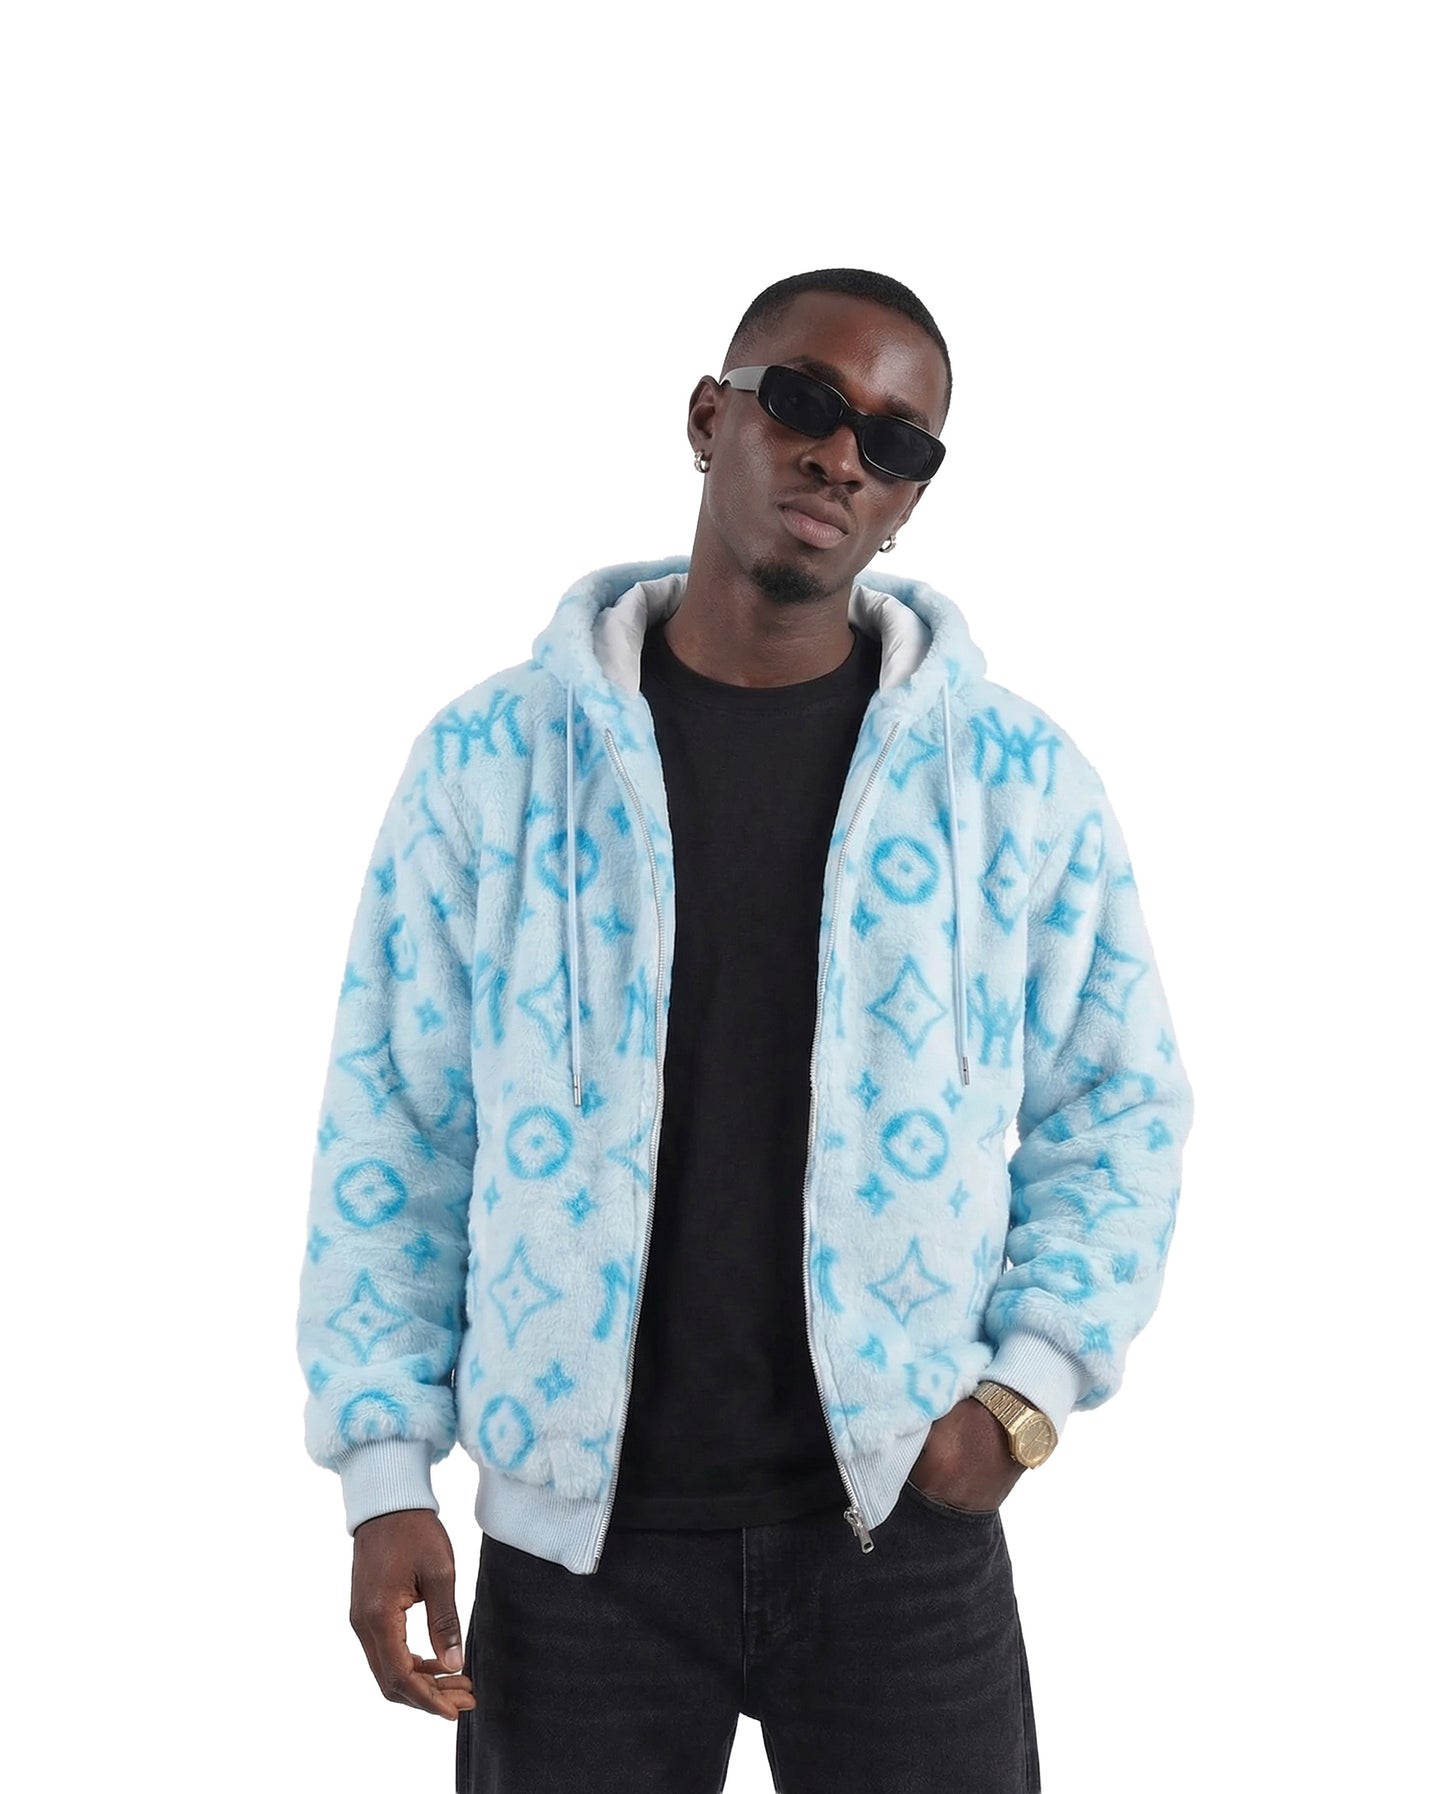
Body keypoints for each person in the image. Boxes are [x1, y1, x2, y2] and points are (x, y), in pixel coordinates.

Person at [295, 267, 1194, 1793]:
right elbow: (395, 1120)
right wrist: (384, 1472)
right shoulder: (491, 764)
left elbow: (1118, 1104)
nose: (841, 455)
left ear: (908, 500)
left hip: (899, 1532)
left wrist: (1021, 1399)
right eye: (805, 403)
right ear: (711, 417)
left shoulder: (1014, 782)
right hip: (577, 1553)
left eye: (894, 441)